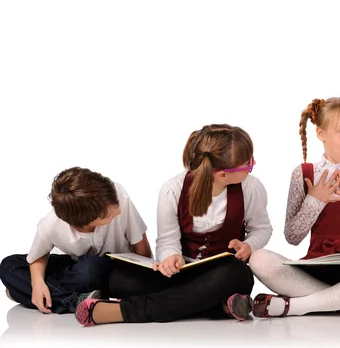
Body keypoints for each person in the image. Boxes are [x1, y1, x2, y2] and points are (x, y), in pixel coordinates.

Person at [75, 124, 273, 326]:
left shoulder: (251, 188)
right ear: (222, 174)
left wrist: (249, 245)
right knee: (118, 278)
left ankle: (129, 311)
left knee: (239, 273)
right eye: (248, 163)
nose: (252, 165)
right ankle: (219, 305)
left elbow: (261, 229)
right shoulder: (173, 190)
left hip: (220, 275)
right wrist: (170, 257)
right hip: (182, 276)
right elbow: (167, 240)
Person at [249, 97, 340, 318]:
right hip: (316, 272)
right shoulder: (304, 174)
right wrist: (315, 200)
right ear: (321, 134)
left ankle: (296, 306)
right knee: (259, 258)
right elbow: (292, 236)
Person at [0, 167, 152, 314]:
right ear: (87, 221)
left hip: (115, 270)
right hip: (79, 271)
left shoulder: (116, 194)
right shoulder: (50, 225)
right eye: (109, 214)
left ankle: (23, 292)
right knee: (9, 265)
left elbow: (140, 243)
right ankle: (75, 301)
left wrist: (146, 277)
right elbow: (37, 257)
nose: (118, 211)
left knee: (92, 267)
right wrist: (37, 284)